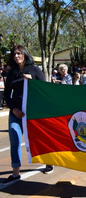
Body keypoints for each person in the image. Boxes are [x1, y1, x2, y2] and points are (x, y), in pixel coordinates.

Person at [3, 45, 54, 185]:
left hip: (33, 112)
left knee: (39, 139)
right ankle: (15, 173)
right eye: (14, 54)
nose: (16, 56)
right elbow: (7, 94)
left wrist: (32, 81)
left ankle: (49, 162)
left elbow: (44, 89)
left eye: (19, 53)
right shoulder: (12, 72)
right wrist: (13, 109)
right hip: (16, 112)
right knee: (14, 138)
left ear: (25, 54)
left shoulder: (34, 70)